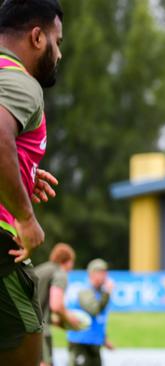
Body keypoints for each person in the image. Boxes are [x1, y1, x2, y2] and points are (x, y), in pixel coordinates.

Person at [0, 1, 64, 365]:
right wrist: (25, 216)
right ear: (38, 37)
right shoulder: (19, 80)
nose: (60, 52)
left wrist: (20, 171)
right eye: (58, 40)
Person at [35, 243, 78, 366]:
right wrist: (69, 319)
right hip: (38, 330)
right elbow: (56, 305)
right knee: (45, 363)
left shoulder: (41, 269)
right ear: (68, 261)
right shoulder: (60, 273)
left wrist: (58, 322)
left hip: (18, 327)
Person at [66, 259, 115, 366]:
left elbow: (99, 320)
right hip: (81, 343)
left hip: (94, 343)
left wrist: (104, 339)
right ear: (92, 274)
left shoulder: (101, 293)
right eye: (101, 272)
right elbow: (94, 310)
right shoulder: (85, 291)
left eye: (105, 272)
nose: (105, 275)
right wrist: (107, 293)